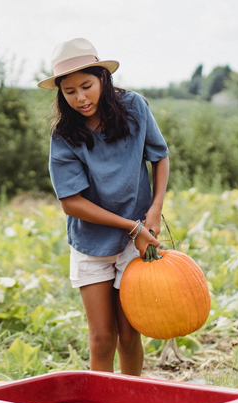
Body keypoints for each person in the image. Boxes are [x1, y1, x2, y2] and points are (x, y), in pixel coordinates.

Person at [39, 38, 170, 376]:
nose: (80, 98)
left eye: (87, 86)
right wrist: (132, 226)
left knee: (129, 335)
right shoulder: (64, 134)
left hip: (136, 239)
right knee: (101, 339)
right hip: (92, 243)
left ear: (103, 79)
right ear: (60, 94)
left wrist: (153, 211)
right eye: (69, 91)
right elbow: (71, 203)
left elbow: (160, 156)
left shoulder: (134, 108)